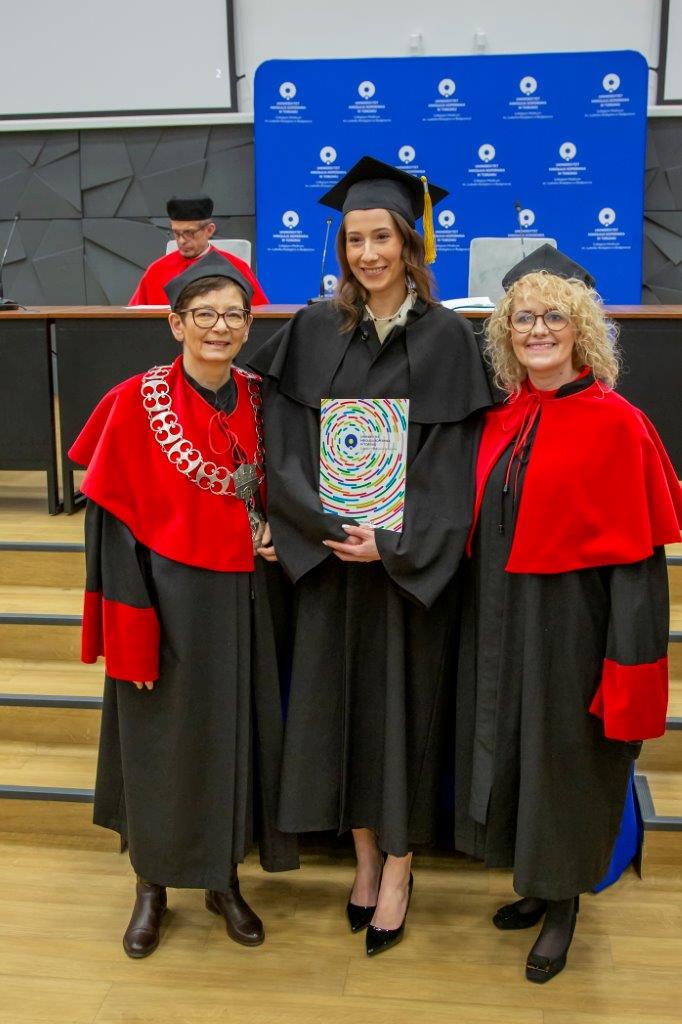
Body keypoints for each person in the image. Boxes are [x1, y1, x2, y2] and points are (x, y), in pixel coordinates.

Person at [249, 156, 492, 956]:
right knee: (338, 711)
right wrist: (325, 525)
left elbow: (454, 465)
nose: (367, 254)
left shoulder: (450, 338)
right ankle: (362, 858)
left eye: (382, 237)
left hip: (406, 569)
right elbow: (284, 440)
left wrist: (392, 542)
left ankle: (400, 866)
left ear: (409, 243)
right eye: (354, 239)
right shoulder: (314, 329)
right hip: (330, 560)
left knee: (402, 716)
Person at [453, 244, 682, 983]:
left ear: (582, 329)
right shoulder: (503, 418)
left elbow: (639, 571)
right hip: (503, 618)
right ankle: (536, 882)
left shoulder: (619, 424)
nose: (538, 330)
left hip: (576, 629)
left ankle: (564, 904)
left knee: (566, 760)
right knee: (517, 753)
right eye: (524, 319)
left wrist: (629, 662)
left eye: (554, 317)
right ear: (506, 332)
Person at [70, 250, 297, 959]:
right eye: (204, 315)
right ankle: (152, 885)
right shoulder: (135, 402)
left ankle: (223, 878)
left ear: (249, 325)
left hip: (245, 600)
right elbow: (112, 533)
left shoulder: (263, 398)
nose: (219, 327)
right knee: (161, 747)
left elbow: (286, 488)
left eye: (233, 315)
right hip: (164, 605)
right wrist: (130, 639)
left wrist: (277, 530)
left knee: (234, 740)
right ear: (175, 323)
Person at [129, 194, 268, 305]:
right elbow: (133, 318)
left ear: (209, 230)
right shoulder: (156, 271)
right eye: (176, 233)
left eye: (189, 233)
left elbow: (262, 316)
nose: (181, 241)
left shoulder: (235, 268)